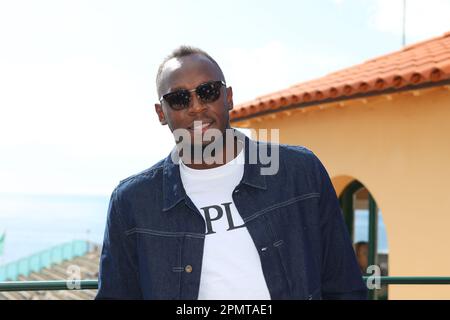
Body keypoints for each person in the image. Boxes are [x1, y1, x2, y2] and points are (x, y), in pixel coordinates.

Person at [95, 46, 367, 300]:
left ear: (229, 98)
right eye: (178, 99)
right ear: (161, 113)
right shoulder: (132, 202)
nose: (196, 107)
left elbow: (343, 283)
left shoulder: (299, 172)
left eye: (208, 91)